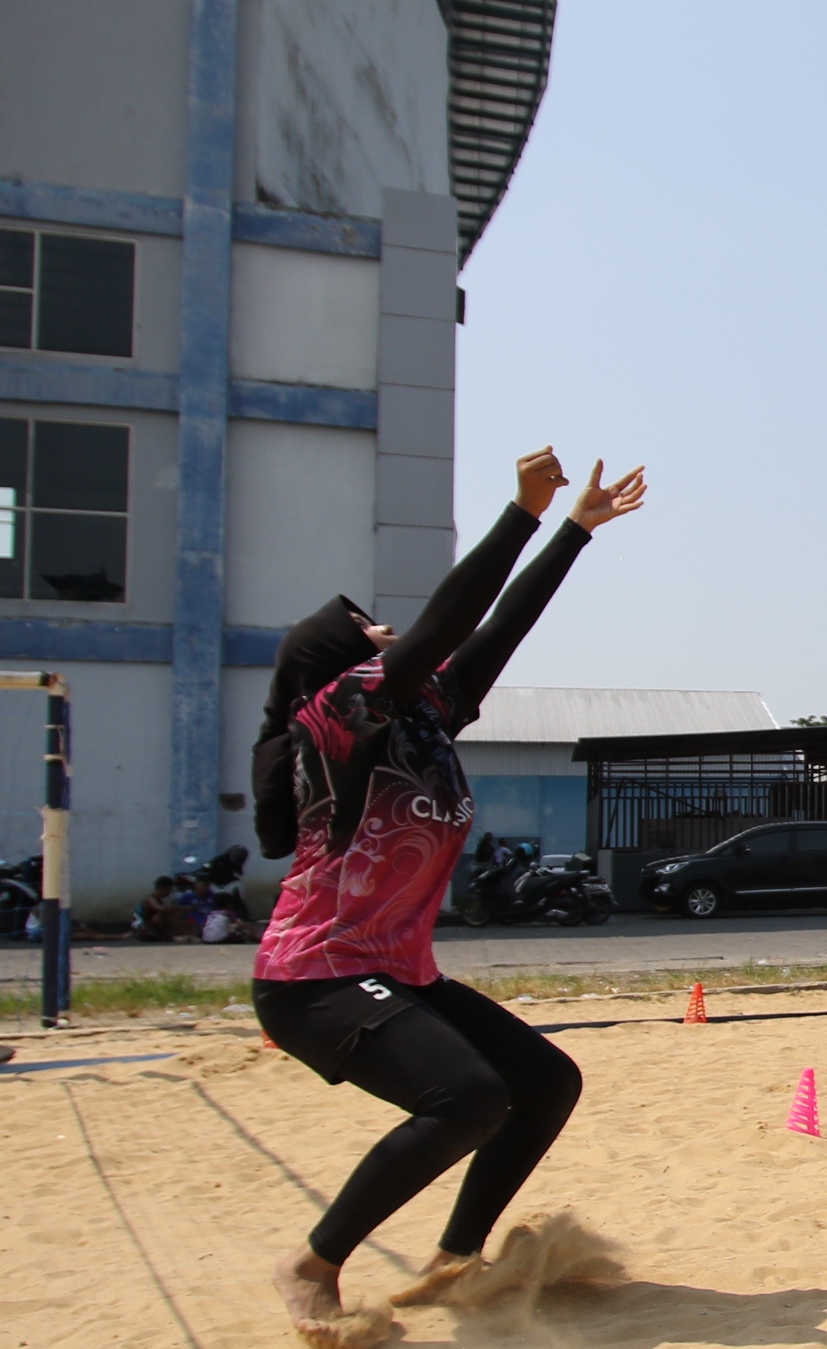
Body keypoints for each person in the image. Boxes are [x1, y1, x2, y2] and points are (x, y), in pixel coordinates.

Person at [252, 448, 646, 1342]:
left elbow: (497, 628)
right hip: (313, 976)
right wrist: (520, 513)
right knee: (467, 1099)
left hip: (398, 970)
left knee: (544, 1083)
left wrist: (575, 531)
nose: (394, 632)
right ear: (344, 659)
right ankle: (313, 1262)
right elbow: (443, 626)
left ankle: (452, 1262)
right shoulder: (338, 718)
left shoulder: (425, 714)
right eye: (373, 627)